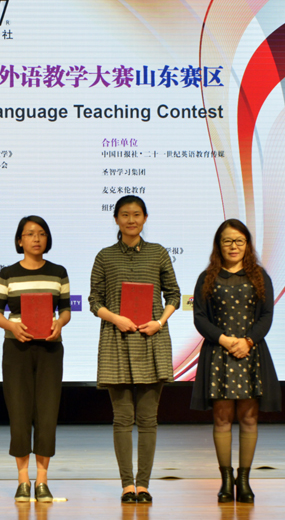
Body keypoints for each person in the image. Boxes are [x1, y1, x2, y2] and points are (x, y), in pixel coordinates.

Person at [88, 195, 180, 504]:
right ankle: (127, 485)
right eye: (125, 215)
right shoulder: (105, 256)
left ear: (145, 218)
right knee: (122, 418)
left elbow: (174, 294)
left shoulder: (158, 253)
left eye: (137, 214)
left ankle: (144, 485)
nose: (131, 220)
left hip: (152, 340)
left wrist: (159, 321)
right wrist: (116, 318)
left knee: (149, 419)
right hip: (117, 341)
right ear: (116, 219)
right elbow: (94, 301)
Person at [190, 219, 281, 503]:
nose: (233, 246)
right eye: (228, 241)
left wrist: (248, 341)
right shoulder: (207, 277)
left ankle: (244, 481)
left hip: (251, 353)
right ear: (219, 245)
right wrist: (225, 340)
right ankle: (226, 481)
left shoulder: (260, 276)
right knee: (221, 418)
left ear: (247, 245)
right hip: (219, 353)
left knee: (249, 418)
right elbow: (200, 318)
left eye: (239, 241)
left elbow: (266, 315)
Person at [0, 216, 71, 503]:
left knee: (47, 414)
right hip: (17, 349)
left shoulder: (58, 272)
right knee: (19, 413)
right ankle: (23, 480)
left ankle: (43, 481)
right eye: (29, 234)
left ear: (47, 239)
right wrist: (12, 327)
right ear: (19, 240)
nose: (36, 238)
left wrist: (59, 323)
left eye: (41, 233)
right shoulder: (7, 274)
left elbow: (65, 310)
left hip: (50, 349)